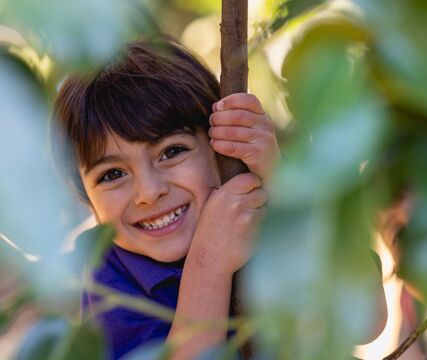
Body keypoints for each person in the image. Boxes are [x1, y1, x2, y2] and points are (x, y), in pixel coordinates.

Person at [51, 37, 279, 359]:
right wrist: (209, 261)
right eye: (112, 175)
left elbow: (368, 321)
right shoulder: (109, 278)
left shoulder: (266, 212)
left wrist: (284, 185)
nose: (149, 192)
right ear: (87, 201)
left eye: (171, 152)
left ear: (221, 147)